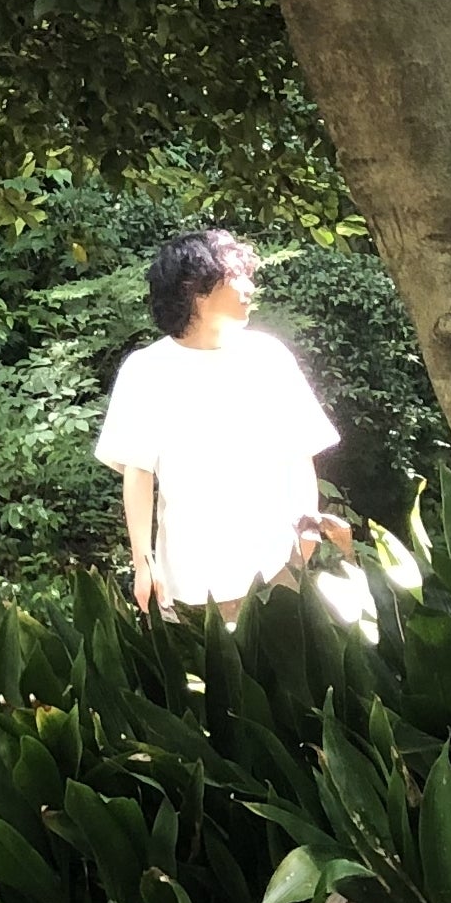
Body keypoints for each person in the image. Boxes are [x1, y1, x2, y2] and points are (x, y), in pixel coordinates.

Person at [94, 228, 353, 615]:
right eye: (237, 277)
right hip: (187, 578)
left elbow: (299, 452)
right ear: (195, 290)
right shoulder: (146, 370)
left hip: (275, 567)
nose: (250, 287)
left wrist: (306, 536)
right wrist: (143, 563)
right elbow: (138, 472)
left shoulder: (269, 356)